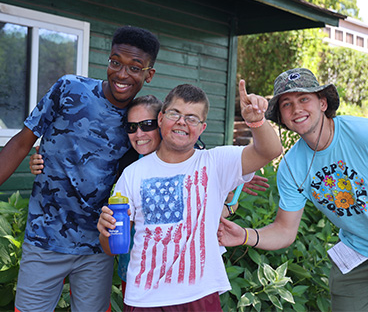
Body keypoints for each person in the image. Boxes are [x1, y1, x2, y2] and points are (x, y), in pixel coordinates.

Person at [29, 94, 271, 298]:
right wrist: (45, 160)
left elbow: (222, 197)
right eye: (131, 127)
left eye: (146, 125)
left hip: (188, 278)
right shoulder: (128, 164)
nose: (139, 133)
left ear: (160, 121)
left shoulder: (195, 158)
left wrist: (230, 197)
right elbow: (82, 166)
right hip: (137, 272)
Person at [0, 25, 160, 312]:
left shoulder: (140, 120)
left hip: (97, 246)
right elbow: (23, 143)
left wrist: (234, 182)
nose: (122, 74)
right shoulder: (69, 88)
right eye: (115, 63)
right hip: (45, 236)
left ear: (149, 74)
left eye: (135, 68)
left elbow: (175, 151)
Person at [218, 67, 368, 311]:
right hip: (357, 253)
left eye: (304, 99)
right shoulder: (291, 167)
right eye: (286, 104)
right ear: (281, 117)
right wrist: (245, 235)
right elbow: (285, 230)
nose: (297, 109)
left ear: (323, 103)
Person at [97, 82, 282, 310]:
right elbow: (113, 248)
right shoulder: (132, 174)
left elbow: (270, 151)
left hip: (200, 295)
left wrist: (256, 120)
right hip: (144, 299)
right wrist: (106, 230)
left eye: (192, 118)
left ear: (202, 128)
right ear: (161, 118)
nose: (182, 122)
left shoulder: (215, 163)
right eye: (175, 113)